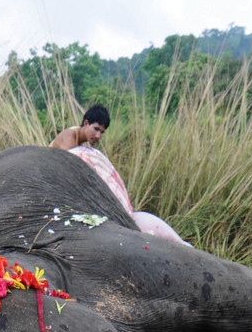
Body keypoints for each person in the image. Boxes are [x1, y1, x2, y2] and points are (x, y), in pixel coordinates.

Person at [50, 104, 184, 244]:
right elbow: (68, 163)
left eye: (102, 132)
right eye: (96, 129)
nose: (98, 136)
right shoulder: (70, 136)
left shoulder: (84, 146)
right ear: (85, 123)